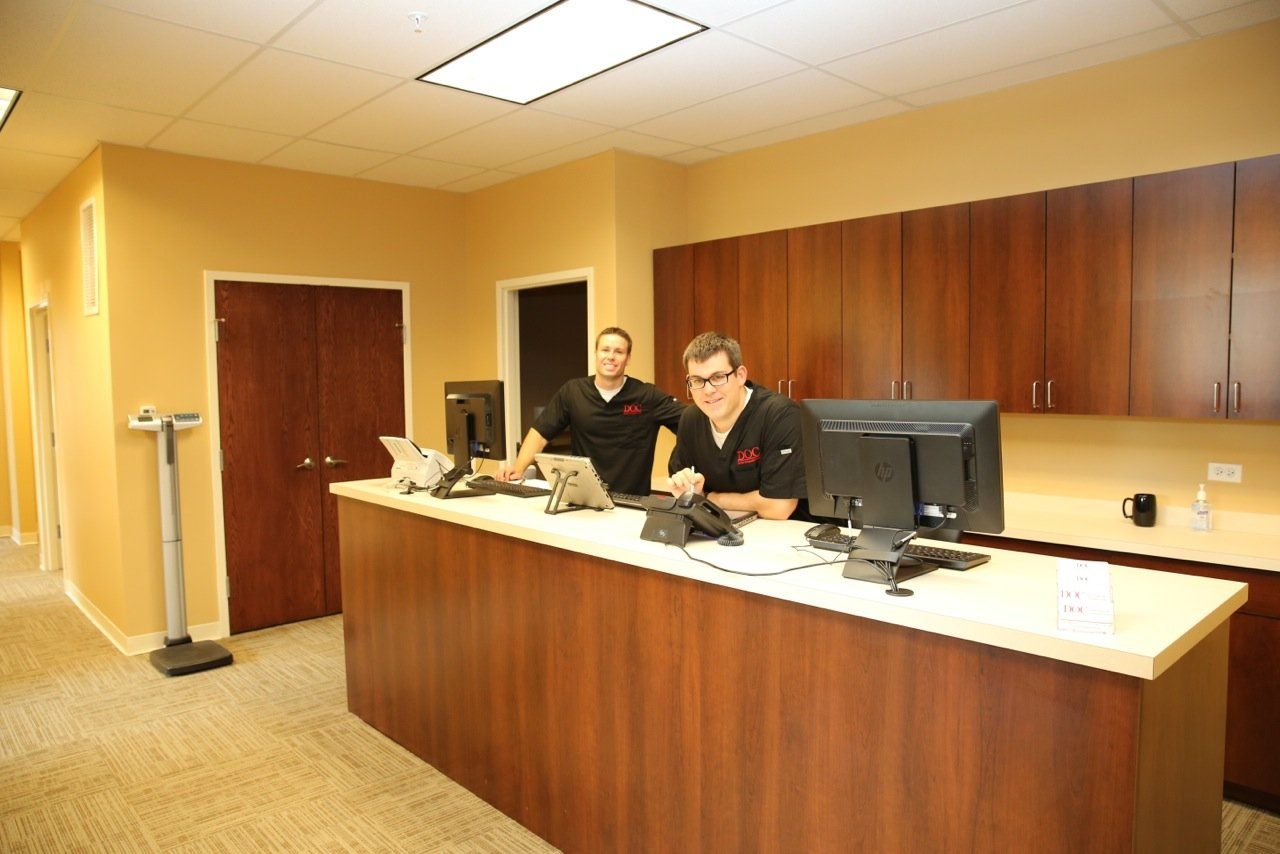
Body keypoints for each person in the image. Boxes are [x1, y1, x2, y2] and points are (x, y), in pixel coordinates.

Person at [496, 327, 685, 496]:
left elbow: (691, 422)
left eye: (619, 352)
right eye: (605, 350)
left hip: (631, 502)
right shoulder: (573, 392)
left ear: (628, 359)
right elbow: (540, 433)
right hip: (583, 498)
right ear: (596, 353)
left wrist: (680, 466)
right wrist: (518, 469)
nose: (611, 356)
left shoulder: (647, 396)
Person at [667, 331, 807, 521]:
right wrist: (686, 487)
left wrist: (709, 498)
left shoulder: (779, 415)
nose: (708, 390)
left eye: (717, 377)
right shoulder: (691, 419)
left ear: (740, 375)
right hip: (718, 530)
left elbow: (778, 507)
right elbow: (685, 492)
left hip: (785, 536)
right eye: (697, 381)